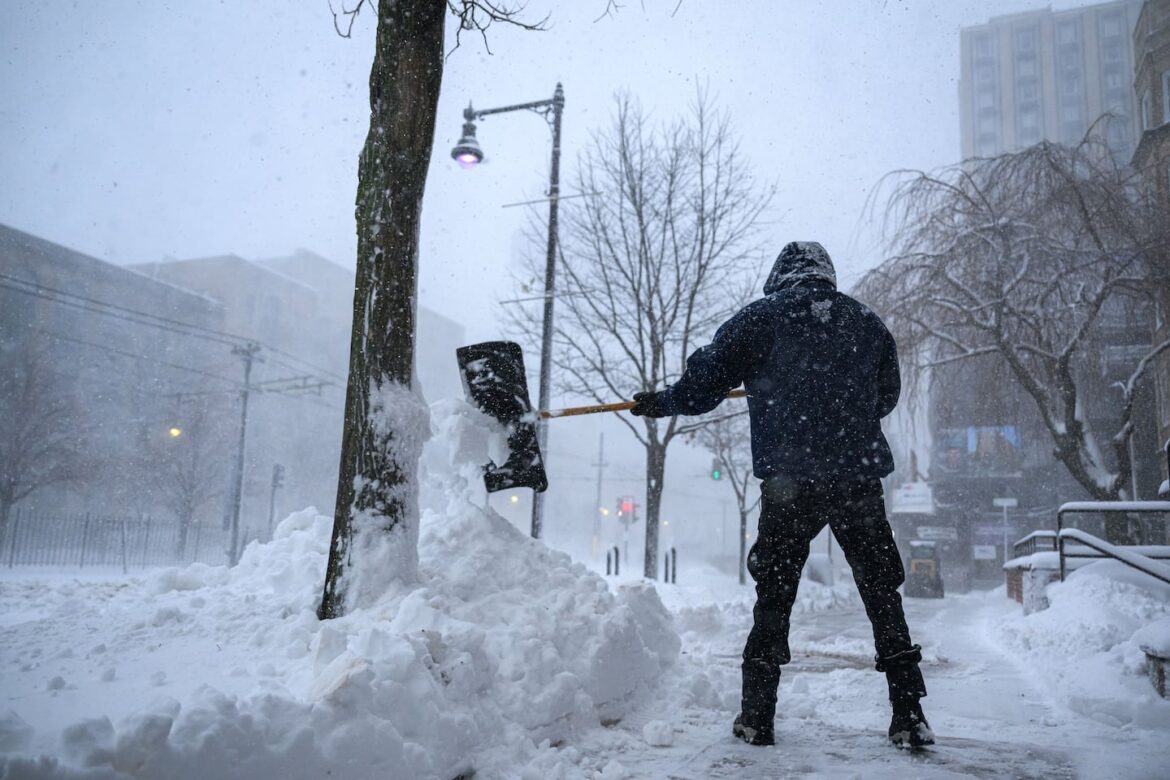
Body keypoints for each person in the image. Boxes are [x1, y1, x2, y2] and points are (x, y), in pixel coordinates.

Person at [631, 241, 933, 749]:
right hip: (856, 476)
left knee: (775, 592)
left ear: (780, 277)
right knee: (881, 590)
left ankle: (757, 715)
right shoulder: (867, 324)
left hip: (790, 482)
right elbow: (886, 397)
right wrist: (839, 409)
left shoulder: (761, 319)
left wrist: (660, 402)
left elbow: (704, 384)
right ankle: (909, 712)